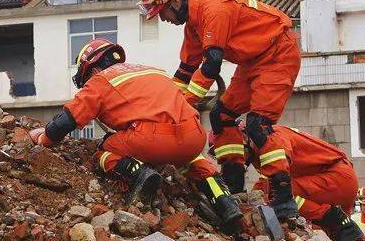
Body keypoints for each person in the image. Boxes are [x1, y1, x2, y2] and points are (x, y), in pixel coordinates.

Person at [29, 39, 242, 229]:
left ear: (91, 70)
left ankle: (139, 175)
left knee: (103, 152)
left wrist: (43, 138)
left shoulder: (100, 80)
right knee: (192, 159)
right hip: (194, 136)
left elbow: (66, 121)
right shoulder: (153, 70)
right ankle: (225, 202)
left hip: (151, 140)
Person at [137, 0, 302, 212]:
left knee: (258, 124)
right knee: (220, 116)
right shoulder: (193, 26)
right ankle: (234, 185)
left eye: (162, 13)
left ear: (174, 2)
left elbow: (212, 65)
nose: (163, 19)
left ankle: (283, 195)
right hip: (253, 61)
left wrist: (184, 106)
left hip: (278, 54)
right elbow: (185, 71)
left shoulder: (214, 11)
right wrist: (166, 104)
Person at [226, 124, 363, 241]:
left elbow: (276, 183)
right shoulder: (260, 145)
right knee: (273, 194)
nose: (232, 159)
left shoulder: (271, 139)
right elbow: (264, 183)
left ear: (244, 139)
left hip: (337, 178)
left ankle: (334, 218)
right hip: (333, 178)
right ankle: (337, 226)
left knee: (279, 193)